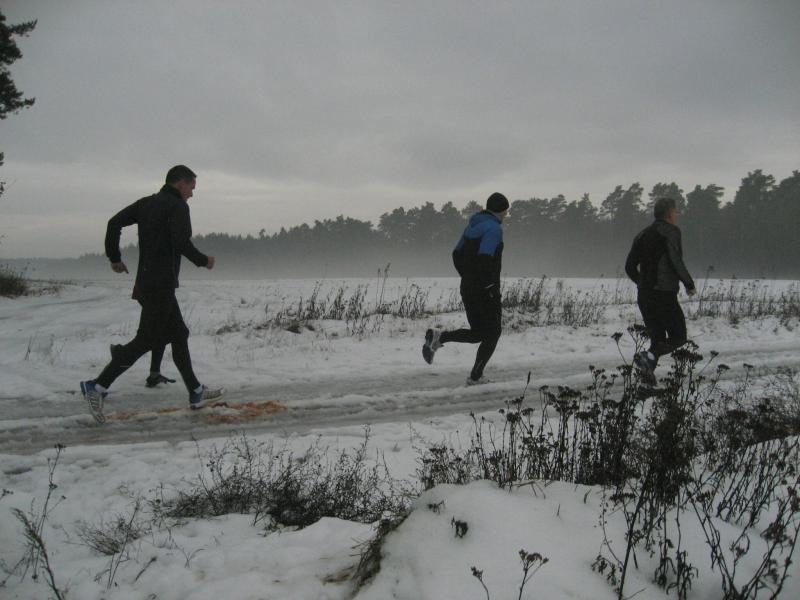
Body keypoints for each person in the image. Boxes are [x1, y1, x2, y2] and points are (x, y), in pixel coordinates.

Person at [80, 165, 222, 423]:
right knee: (146, 340)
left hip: (146, 282)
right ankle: (97, 386)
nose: (192, 193)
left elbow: (114, 223)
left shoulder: (146, 203)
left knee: (179, 334)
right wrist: (204, 261)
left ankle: (196, 391)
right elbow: (181, 242)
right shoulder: (178, 207)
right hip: (161, 284)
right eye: (191, 187)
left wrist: (114, 257)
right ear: (180, 183)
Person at [422, 192, 509, 385]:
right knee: (493, 333)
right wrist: (488, 285)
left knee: (478, 333)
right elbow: (485, 258)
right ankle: (475, 377)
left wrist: (467, 277)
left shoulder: (472, 226)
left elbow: (456, 254)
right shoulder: (494, 229)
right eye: (505, 211)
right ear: (500, 210)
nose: (506, 215)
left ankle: (439, 337)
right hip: (485, 290)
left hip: (468, 288)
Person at [625, 196, 696, 384]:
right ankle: (647, 358)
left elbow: (629, 267)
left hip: (644, 295)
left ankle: (646, 381)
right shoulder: (670, 231)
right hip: (663, 294)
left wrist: (642, 283)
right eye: (675, 212)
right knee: (679, 337)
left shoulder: (641, 234)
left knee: (657, 340)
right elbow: (675, 259)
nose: (677, 215)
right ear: (669, 214)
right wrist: (688, 283)